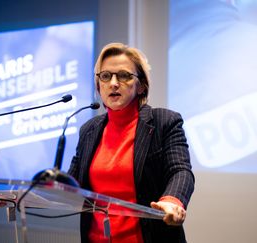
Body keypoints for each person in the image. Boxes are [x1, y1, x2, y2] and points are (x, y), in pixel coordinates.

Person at [67, 42, 195, 243]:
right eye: (106, 76)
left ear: (141, 86)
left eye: (124, 76)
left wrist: (172, 201)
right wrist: (21, 195)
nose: (114, 83)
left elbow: (180, 170)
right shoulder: (89, 130)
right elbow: (72, 183)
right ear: (99, 85)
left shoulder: (164, 122)